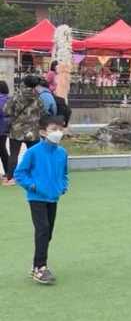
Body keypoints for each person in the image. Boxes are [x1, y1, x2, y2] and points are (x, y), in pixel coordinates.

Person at [14, 115, 69, 285]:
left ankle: (36, 264)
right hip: (36, 197)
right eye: (54, 129)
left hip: (53, 198)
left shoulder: (62, 152)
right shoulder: (33, 152)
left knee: (48, 232)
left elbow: (64, 173)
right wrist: (32, 186)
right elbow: (19, 173)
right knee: (42, 229)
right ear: (43, 132)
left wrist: (63, 186)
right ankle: (40, 267)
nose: (58, 133)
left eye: (60, 129)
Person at [3, 76, 46, 185]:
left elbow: (6, 110)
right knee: (34, 154)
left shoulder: (16, 96)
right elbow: (42, 111)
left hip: (17, 130)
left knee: (14, 154)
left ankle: (11, 178)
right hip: (33, 130)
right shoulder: (38, 97)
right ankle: (35, 176)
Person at [0, 81, 10, 182]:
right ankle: (8, 170)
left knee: (2, 149)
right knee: (2, 149)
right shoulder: (9, 98)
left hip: (1, 128)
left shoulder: (3, 99)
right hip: (4, 127)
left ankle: (8, 170)